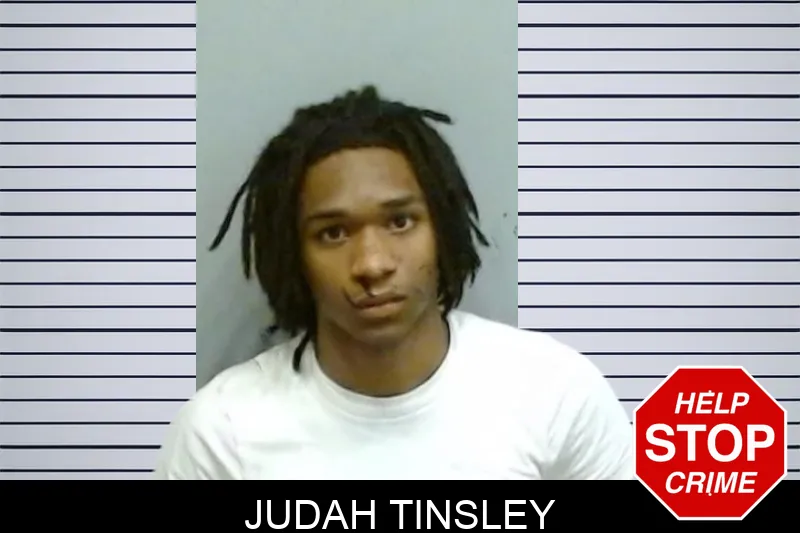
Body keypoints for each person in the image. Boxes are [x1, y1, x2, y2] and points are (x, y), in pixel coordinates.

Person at [154, 86, 633, 480]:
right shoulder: (223, 434)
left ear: (442, 230)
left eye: (400, 222)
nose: (372, 263)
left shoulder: (556, 396)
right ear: (293, 255)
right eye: (333, 233)